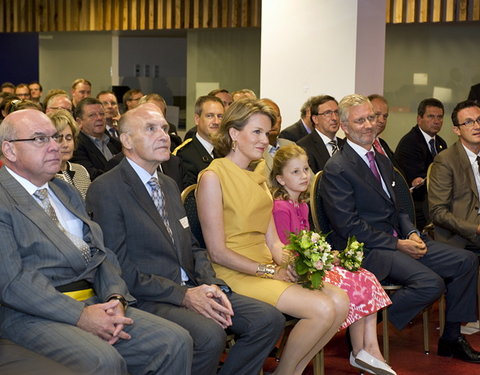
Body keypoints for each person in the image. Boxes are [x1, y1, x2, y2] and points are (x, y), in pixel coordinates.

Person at [86, 103, 285, 375]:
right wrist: (184, 296)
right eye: (151, 129)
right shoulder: (107, 188)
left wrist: (213, 284)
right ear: (126, 140)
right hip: (147, 296)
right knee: (210, 335)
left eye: (165, 129)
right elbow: (120, 268)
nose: (163, 135)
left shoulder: (167, 183)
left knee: (266, 319)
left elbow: (192, 245)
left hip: (191, 285)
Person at [0, 108, 192, 374]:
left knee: (175, 341)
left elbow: (101, 253)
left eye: (55, 138)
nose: (56, 146)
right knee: (104, 360)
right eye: (40, 139)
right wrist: (81, 316)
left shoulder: (64, 189)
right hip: (34, 313)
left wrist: (115, 297)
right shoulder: (4, 198)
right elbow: (13, 283)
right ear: (9, 151)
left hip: (96, 300)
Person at [320, 94, 480, 364]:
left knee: (466, 260)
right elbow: (348, 226)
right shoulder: (338, 167)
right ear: (345, 127)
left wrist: (412, 233)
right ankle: (362, 321)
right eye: (360, 120)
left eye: (371, 117)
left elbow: (399, 210)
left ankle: (452, 338)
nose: (369, 125)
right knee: (431, 283)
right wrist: (397, 244)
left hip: (399, 241)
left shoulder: (381, 160)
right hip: (368, 249)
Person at [196, 99, 350, 375]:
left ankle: (292, 371)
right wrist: (271, 271)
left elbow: (274, 242)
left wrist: (297, 263)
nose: (264, 141)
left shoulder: (258, 176)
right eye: (256, 132)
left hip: (266, 268)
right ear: (233, 133)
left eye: (266, 134)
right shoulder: (213, 177)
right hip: (234, 273)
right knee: (323, 309)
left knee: (340, 302)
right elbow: (217, 252)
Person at [270, 144, 394, 375]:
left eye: (306, 169)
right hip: (295, 271)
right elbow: (286, 251)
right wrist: (321, 259)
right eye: (295, 172)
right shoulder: (281, 208)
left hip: (311, 264)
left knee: (365, 276)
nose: (304, 176)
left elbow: (309, 240)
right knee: (352, 285)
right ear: (280, 179)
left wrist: (328, 255)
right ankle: (360, 349)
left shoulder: (302, 205)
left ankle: (370, 347)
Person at [429, 99, 480, 252]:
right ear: (456, 130)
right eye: (469, 122)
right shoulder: (445, 160)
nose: (477, 126)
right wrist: (476, 228)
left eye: (479, 120)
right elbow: (438, 212)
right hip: (461, 236)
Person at [394, 98, 447, 230]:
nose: (436, 121)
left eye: (439, 117)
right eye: (431, 116)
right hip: (416, 206)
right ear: (419, 119)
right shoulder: (410, 143)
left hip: (435, 201)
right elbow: (416, 180)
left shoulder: (441, 142)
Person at [174, 95, 224, 187]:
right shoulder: (184, 155)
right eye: (210, 116)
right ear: (197, 119)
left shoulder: (225, 150)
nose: (216, 121)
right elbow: (187, 197)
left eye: (220, 116)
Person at [71, 97, 122, 180]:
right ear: (79, 122)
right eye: (92, 115)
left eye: (102, 114)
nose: (99, 118)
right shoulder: (76, 146)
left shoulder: (114, 143)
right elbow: (91, 175)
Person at [48, 109, 91, 198]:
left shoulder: (81, 170)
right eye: (58, 138)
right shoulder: (44, 176)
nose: (65, 145)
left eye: (69, 138)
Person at [297, 95, 345, 173]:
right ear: (315, 119)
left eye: (336, 112)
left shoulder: (345, 144)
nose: (334, 118)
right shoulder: (304, 147)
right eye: (328, 113)